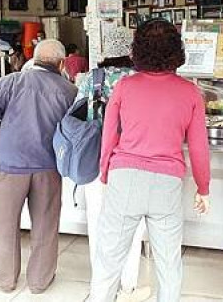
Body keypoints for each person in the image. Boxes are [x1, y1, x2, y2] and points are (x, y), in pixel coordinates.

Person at [89, 19, 211, 302]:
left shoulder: (124, 86)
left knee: (109, 260)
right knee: (169, 263)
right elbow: (198, 148)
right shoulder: (191, 92)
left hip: (125, 177)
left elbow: (109, 136)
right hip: (167, 182)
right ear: (176, 51)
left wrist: (105, 174)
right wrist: (203, 188)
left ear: (138, 50)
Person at [0, 40, 76, 295]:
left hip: (12, 166)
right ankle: (39, 281)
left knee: (6, 225)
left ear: (33, 58)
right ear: (62, 63)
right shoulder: (69, 91)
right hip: (48, 167)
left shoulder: (13, 81)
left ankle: (6, 280)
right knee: (45, 225)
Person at [78, 28, 149, 301]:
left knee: (98, 222)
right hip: (130, 161)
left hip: (94, 159)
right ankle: (128, 285)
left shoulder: (90, 79)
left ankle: (101, 283)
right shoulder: (140, 80)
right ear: (131, 52)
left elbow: (77, 114)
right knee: (130, 226)